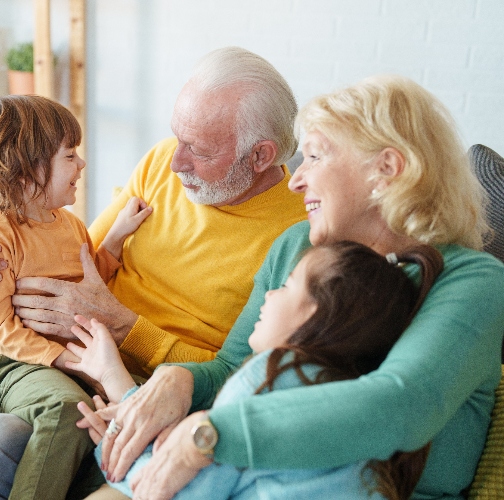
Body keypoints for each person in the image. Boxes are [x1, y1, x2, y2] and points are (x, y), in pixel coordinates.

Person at [0, 47, 307, 499]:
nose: (177, 163)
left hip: (141, 385)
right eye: (178, 138)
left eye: (198, 150)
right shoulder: (162, 164)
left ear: (260, 156)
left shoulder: (297, 236)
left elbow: (246, 378)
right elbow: (76, 255)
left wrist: (125, 327)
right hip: (51, 349)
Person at [91, 75, 504, 500]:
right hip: (247, 479)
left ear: (386, 170)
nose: (295, 180)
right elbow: (234, 369)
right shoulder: (295, 246)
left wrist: (210, 433)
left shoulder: (471, 279)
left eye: (315, 156)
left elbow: (400, 407)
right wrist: (179, 381)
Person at [71, 240, 444, 500]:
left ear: (314, 312)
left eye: (285, 286)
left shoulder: (272, 372)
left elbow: (174, 490)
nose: (268, 294)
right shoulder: (352, 397)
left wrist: (118, 444)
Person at [0, 95, 153, 500]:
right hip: (20, 364)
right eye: (70, 155)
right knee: (66, 410)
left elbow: (88, 284)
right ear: (28, 170)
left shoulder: (71, 225)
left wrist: (116, 236)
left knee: (136, 401)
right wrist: (65, 358)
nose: (81, 164)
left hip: (75, 359)